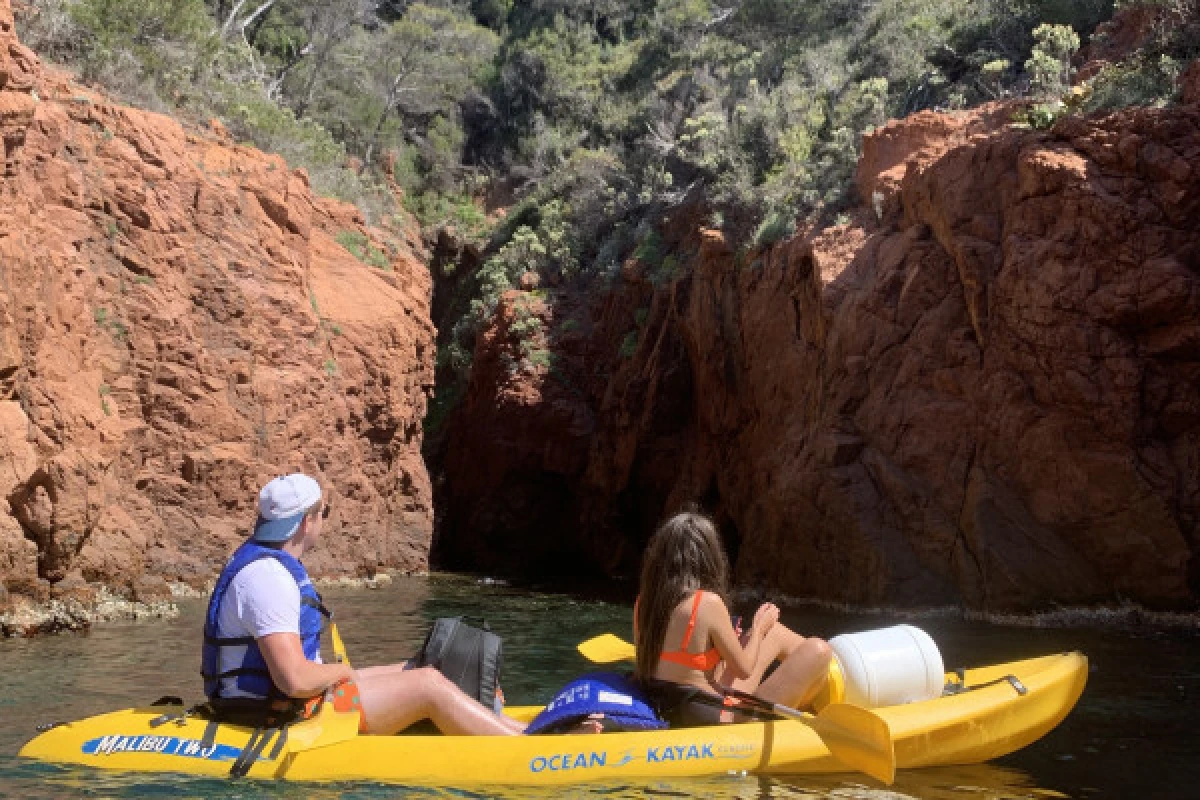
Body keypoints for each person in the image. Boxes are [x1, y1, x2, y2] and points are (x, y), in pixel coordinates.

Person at [201, 472, 523, 736]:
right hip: (277, 713)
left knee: (432, 667)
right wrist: (341, 671)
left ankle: (522, 730)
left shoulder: (268, 566)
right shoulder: (268, 577)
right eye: (322, 514)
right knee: (427, 684)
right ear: (306, 523)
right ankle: (523, 750)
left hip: (293, 701)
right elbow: (294, 680)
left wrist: (342, 674)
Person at [633, 510, 832, 726]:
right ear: (708, 557)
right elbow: (744, 670)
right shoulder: (708, 603)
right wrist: (758, 629)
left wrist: (719, 650)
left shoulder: (644, 602)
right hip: (711, 716)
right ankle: (825, 692)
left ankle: (815, 689)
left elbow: (674, 664)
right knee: (818, 651)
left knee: (776, 633)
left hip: (664, 703)